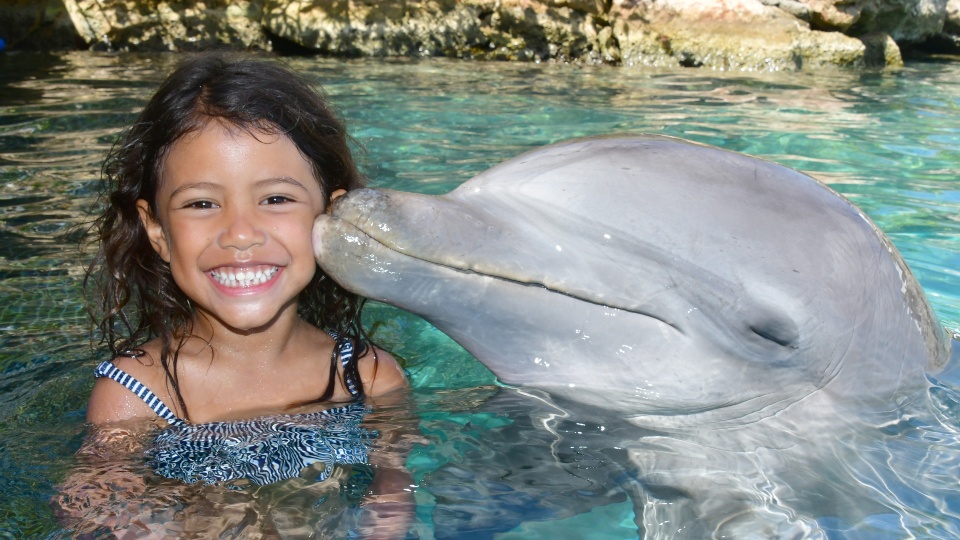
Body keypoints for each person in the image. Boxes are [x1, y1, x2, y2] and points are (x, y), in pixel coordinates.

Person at [58, 51, 413, 538]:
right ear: (157, 230)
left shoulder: (369, 378)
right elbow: (94, 509)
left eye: (276, 199)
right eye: (202, 203)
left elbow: (392, 496)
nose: (240, 233)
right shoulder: (137, 393)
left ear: (331, 218)